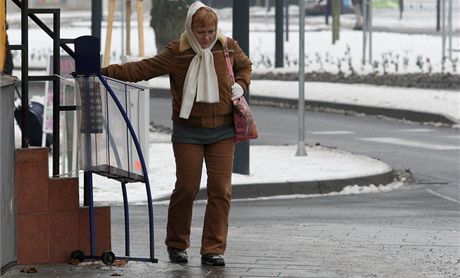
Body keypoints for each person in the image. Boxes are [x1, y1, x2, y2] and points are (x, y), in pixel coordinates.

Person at [100, 1, 252, 266]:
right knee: (187, 187)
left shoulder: (226, 46)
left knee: (220, 190)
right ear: (190, 29)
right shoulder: (177, 52)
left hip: (222, 131)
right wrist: (103, 72)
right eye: (201, 32)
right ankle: (177, 243)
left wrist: (241, 84)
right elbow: (141, 69)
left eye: (210, 31)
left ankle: (213, 249)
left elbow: (245, 66)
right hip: (188, 132)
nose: (206, 38)